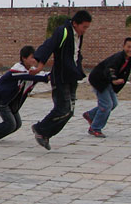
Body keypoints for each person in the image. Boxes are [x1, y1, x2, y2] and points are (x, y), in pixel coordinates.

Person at [30, 10, 92, 151]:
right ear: (75, 23)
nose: (85, 30)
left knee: (69, 111)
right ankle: (40, 129)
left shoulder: (78, 35)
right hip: (61, 77)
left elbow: (75, 53)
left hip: (72, 77)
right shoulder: (63, 31)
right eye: (84, 27)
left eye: (87, 27)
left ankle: (45, 134)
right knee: (62, 109)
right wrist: (40, 66)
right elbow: (49, 45)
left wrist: (79, 68)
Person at [0, 46, 51, 144]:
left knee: (17, 124)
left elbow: (40, 75)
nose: (35, 60)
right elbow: (35, 76)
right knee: (11, 124)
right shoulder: (17, 69)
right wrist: (47, 77)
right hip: (0, 99)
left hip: (11, 101)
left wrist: (53, 74)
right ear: (24, 58)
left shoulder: (31, 70)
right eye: (32, 57)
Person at [84, 37, 131, 138]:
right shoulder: (118, 57)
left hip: (107, 81)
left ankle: (90, 115)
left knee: (114, 103)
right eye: (128, 47)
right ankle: (95, 128)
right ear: (123, 46)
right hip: (99, 80)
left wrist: (116, 87)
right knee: (107, 105)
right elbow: (110, 69)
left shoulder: (129, 60)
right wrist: (113, 79)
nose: (130, 50)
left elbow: (124, 75)